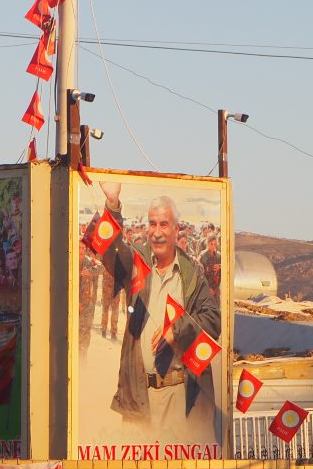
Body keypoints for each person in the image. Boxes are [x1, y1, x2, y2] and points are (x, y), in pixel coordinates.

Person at [91, 181, 220, 444]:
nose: (157, 232)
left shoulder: (191, 273)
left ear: (175, 230)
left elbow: (213, 319)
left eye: (163, 224)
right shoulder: (136, 262)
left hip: (180, 397)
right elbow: (110, 254)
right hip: (140, 396)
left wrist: (178, 330)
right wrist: (113, 206)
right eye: (152, 224)